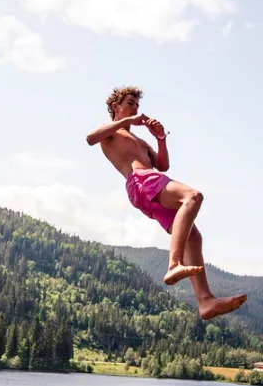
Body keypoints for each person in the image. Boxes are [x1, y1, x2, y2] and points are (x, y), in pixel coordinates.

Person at [86, 86, 246, 321]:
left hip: (150, 185)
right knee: (192, 196)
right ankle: (174, 264)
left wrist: (160, 138)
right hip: (141, 181)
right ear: (115, 107)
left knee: (193, 236)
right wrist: (130, 119)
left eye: (137, 106)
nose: (135, 109)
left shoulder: (140, 141)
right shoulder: (111, 132)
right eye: (130, 103)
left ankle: (205, 302)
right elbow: (90, 138)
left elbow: (162, 165)